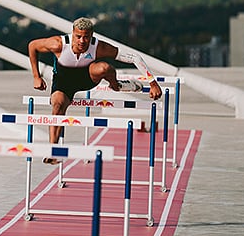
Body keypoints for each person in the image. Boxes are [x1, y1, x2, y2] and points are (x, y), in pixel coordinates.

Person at [28, 17, 162, 164]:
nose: (82, 41)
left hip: (87, 79)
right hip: (63, 82)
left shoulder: (98, 47)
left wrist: (153, 83)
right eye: (78, 36)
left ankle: (116, 85)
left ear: (92, 36)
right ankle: (53, 151)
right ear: (73, 33)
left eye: (86, 37)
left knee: (105, 68)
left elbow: (134, 57)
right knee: (58, 106)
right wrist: (36, 76)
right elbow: (32, 46)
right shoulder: (58, 44)